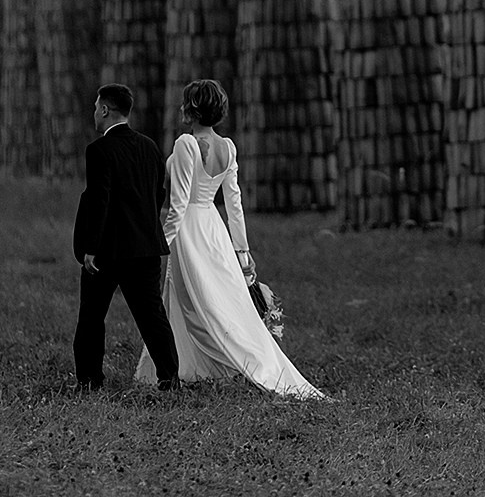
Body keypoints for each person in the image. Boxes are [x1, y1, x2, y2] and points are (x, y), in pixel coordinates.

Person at [143, 78, 323, 398]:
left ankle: (228, 363)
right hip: (215, 227)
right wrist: (241, 249)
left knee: (193, 300)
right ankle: (194, 364)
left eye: (186, 103)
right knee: (218, 296)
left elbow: (180, 203)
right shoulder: (228, 147)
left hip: (189, 230)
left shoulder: (186, 144)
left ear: (193, 109)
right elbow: (234, 203)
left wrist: (161, 242)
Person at [73, 84, 180, 390]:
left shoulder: (99, 150)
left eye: (96, 107)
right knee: (152, 316)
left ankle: (90, 380)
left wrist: (90, 248)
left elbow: (99, 200)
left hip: (107, 250)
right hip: (145, 247)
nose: (94, 112)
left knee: (92, 317)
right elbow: (157, 194)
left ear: (105, 110)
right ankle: (169, 377)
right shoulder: (149, 147)